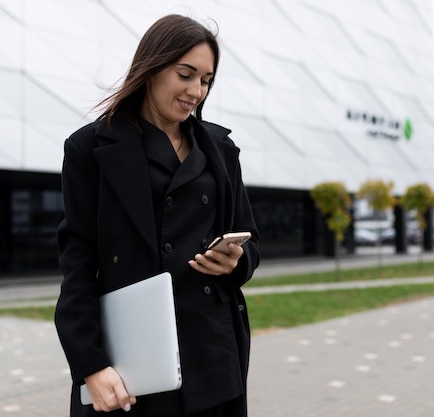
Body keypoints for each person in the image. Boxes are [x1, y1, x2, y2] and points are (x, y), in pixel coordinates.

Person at [54, 14, 260, 417]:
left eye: (205, 80)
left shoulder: (220, 150)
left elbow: (251, 240)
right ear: (151, 68)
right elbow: (78, 266)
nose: (196, 90)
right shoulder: (89, 149)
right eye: (185, 74)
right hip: (134, 356)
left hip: (213, 352)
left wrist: (235, 262)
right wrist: (90, 365)